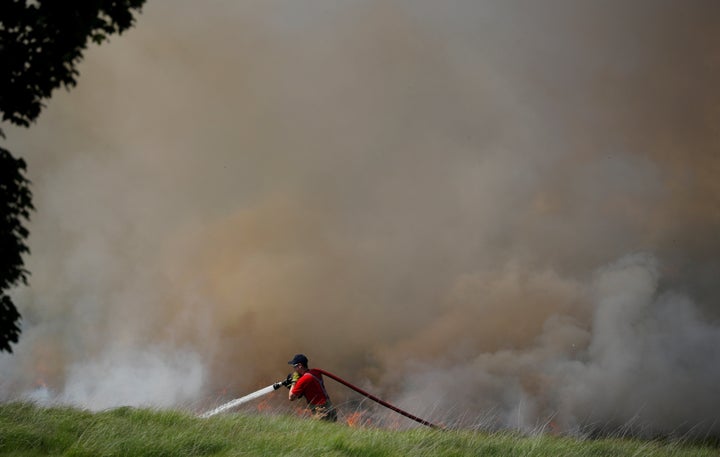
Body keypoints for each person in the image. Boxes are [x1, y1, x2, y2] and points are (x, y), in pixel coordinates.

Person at [286, 354, 337, 422]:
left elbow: (291, 397)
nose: (294, 369)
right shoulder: (316, 372)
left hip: (321, 412)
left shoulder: (304, 379)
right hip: (330, 408)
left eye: (294, 367)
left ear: (300, 366)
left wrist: (294, 382)